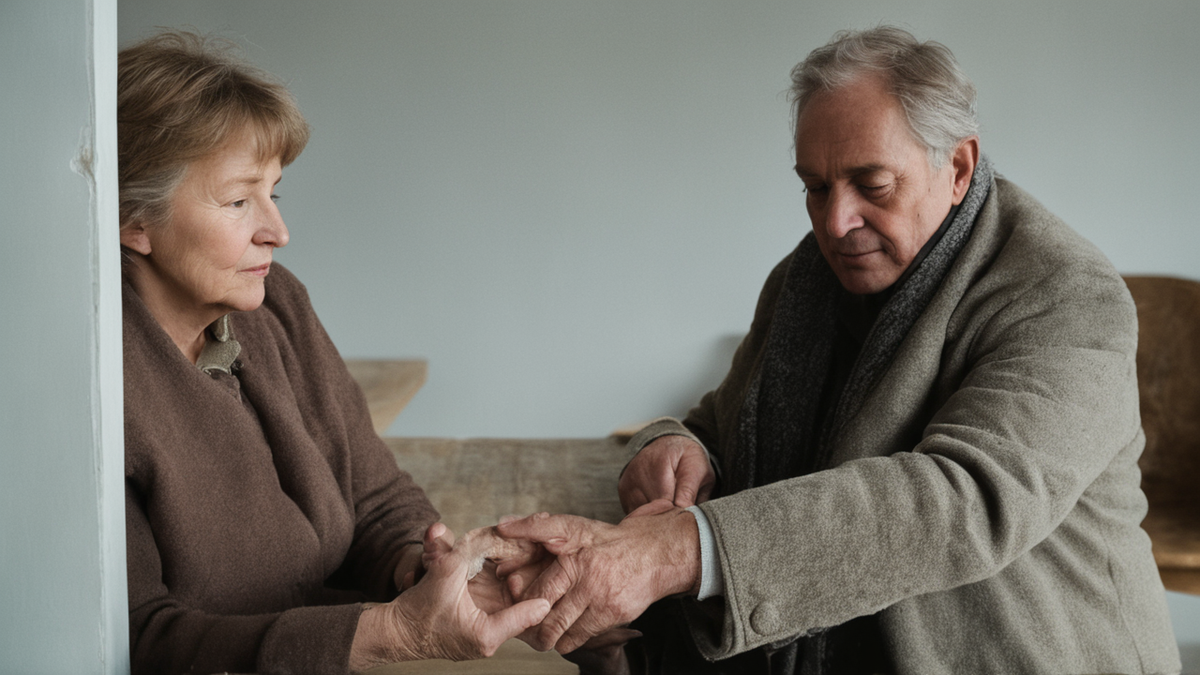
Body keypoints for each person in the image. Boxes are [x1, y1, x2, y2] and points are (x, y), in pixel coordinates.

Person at [495, 26, 1182, 674]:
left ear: (959, 167)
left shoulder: (1067, 293)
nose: (835, 221)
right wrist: (675, 447)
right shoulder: (805, 280)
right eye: (815, 187)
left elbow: (960, 499)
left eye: (872, 186)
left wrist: (678, 548)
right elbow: (724, 420)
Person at [118, 31, 548, 675]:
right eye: (239, 201)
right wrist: (393, 632)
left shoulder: (275, 302)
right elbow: (138, 640)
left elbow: (374, 496)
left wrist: (421, 565)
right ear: (133, 220)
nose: (278, 231)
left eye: (275, 192)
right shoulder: (90, 382)